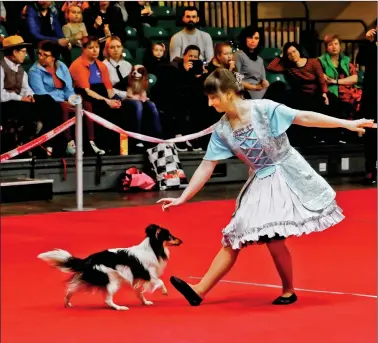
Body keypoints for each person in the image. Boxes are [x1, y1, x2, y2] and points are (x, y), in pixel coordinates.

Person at [157, 68, 375, 306]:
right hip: (260, 180)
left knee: (271, 237)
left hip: (286, 174)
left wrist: (347, 123)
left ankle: (287, 290)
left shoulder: (263, 109)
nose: (210, 103)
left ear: (230, 93)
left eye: (214, 96)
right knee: (236, 235)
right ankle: (200, 290)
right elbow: (207, 166)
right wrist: (182, 197)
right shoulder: (222, 129)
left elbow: (304, 117)